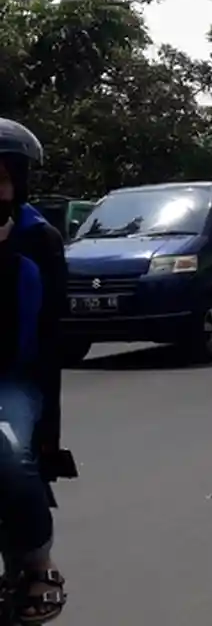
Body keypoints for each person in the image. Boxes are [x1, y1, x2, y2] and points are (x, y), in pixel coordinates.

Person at [0, 118, 68, 623]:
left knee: (11, 459)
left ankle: (38, 563)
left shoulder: (37, 241)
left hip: (13, 380)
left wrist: (49, 430)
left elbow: (50, 339)